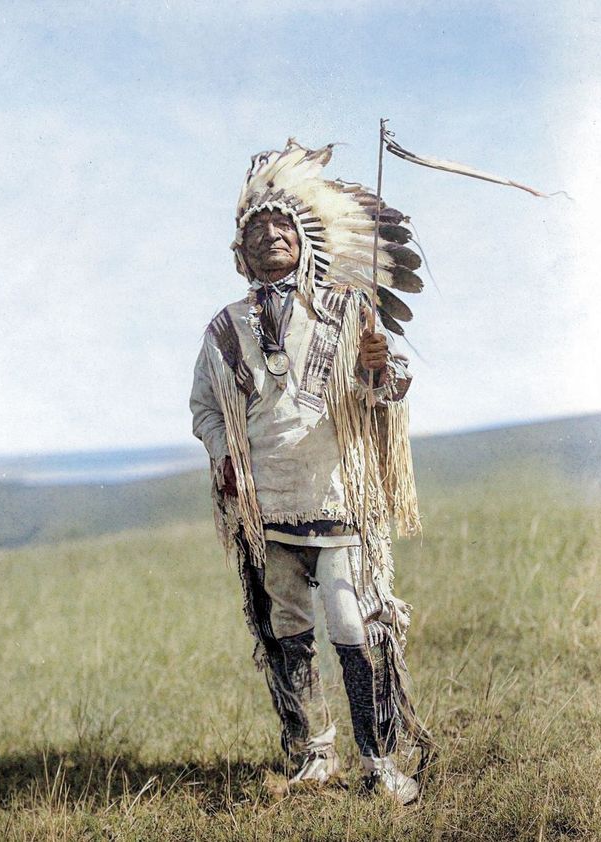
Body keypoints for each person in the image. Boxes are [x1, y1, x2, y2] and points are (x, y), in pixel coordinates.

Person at [190, 139, 432, 804]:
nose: (270, 235)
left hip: (338, 500)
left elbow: (386, 393)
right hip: (266, 512)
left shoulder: (349, 307)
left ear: (302, 239)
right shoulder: (224, 329)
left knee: (355, 627)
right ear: (240, 254)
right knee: (287, 630)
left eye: (280, 225)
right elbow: (206, 409)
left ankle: (381, 763)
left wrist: (382, 367)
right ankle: (312, 756)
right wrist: (226, 459)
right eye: (255, 231)